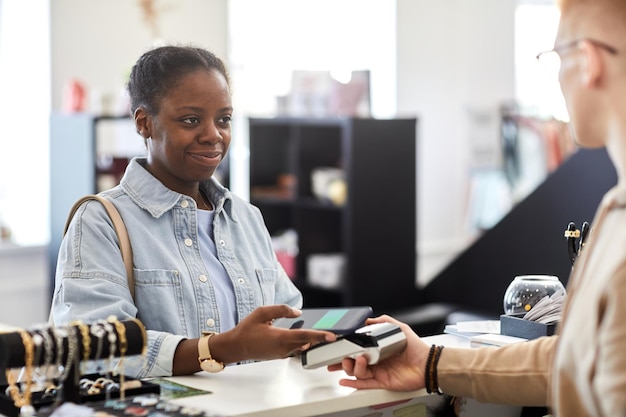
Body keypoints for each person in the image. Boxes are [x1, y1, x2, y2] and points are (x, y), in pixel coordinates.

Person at [329, 0, 626, 416]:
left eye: (555, 57)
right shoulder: (615, 207)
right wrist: (429, 363)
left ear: (588, 60)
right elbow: (573, 360)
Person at [50, 45, 335, 378]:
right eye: (191, 120)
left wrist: (329, 342)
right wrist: (222, 349)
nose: (214, 135)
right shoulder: (101, 222)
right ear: (144, 123)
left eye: (224, 119)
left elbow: (288, 318)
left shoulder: (245, 218)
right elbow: (94, 351)